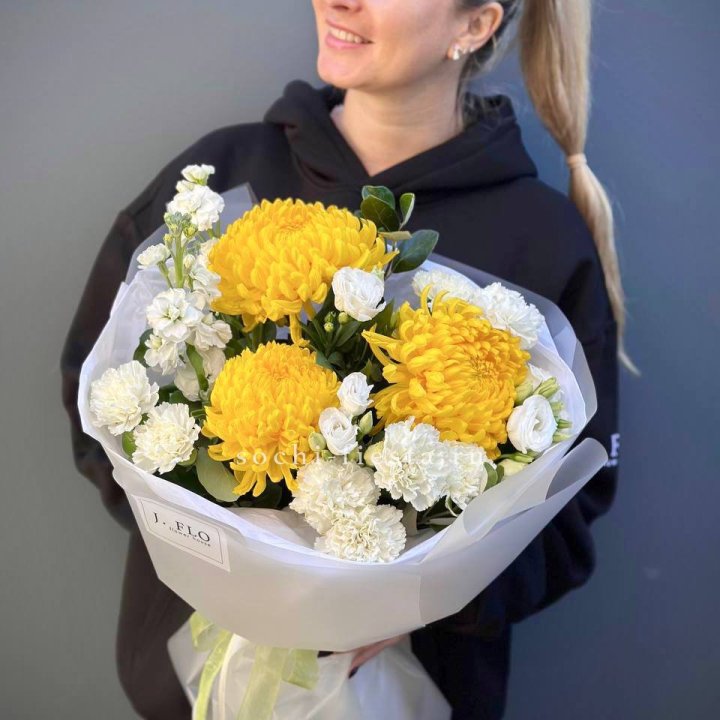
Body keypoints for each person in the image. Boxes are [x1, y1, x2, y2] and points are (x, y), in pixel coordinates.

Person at [61, 1, 629, 717]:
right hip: (186, 691)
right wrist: (216, 558)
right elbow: (97, 393)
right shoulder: (224, 174)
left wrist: (416, 600)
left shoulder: (541, 238)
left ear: (474, 25)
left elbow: (569, 516)